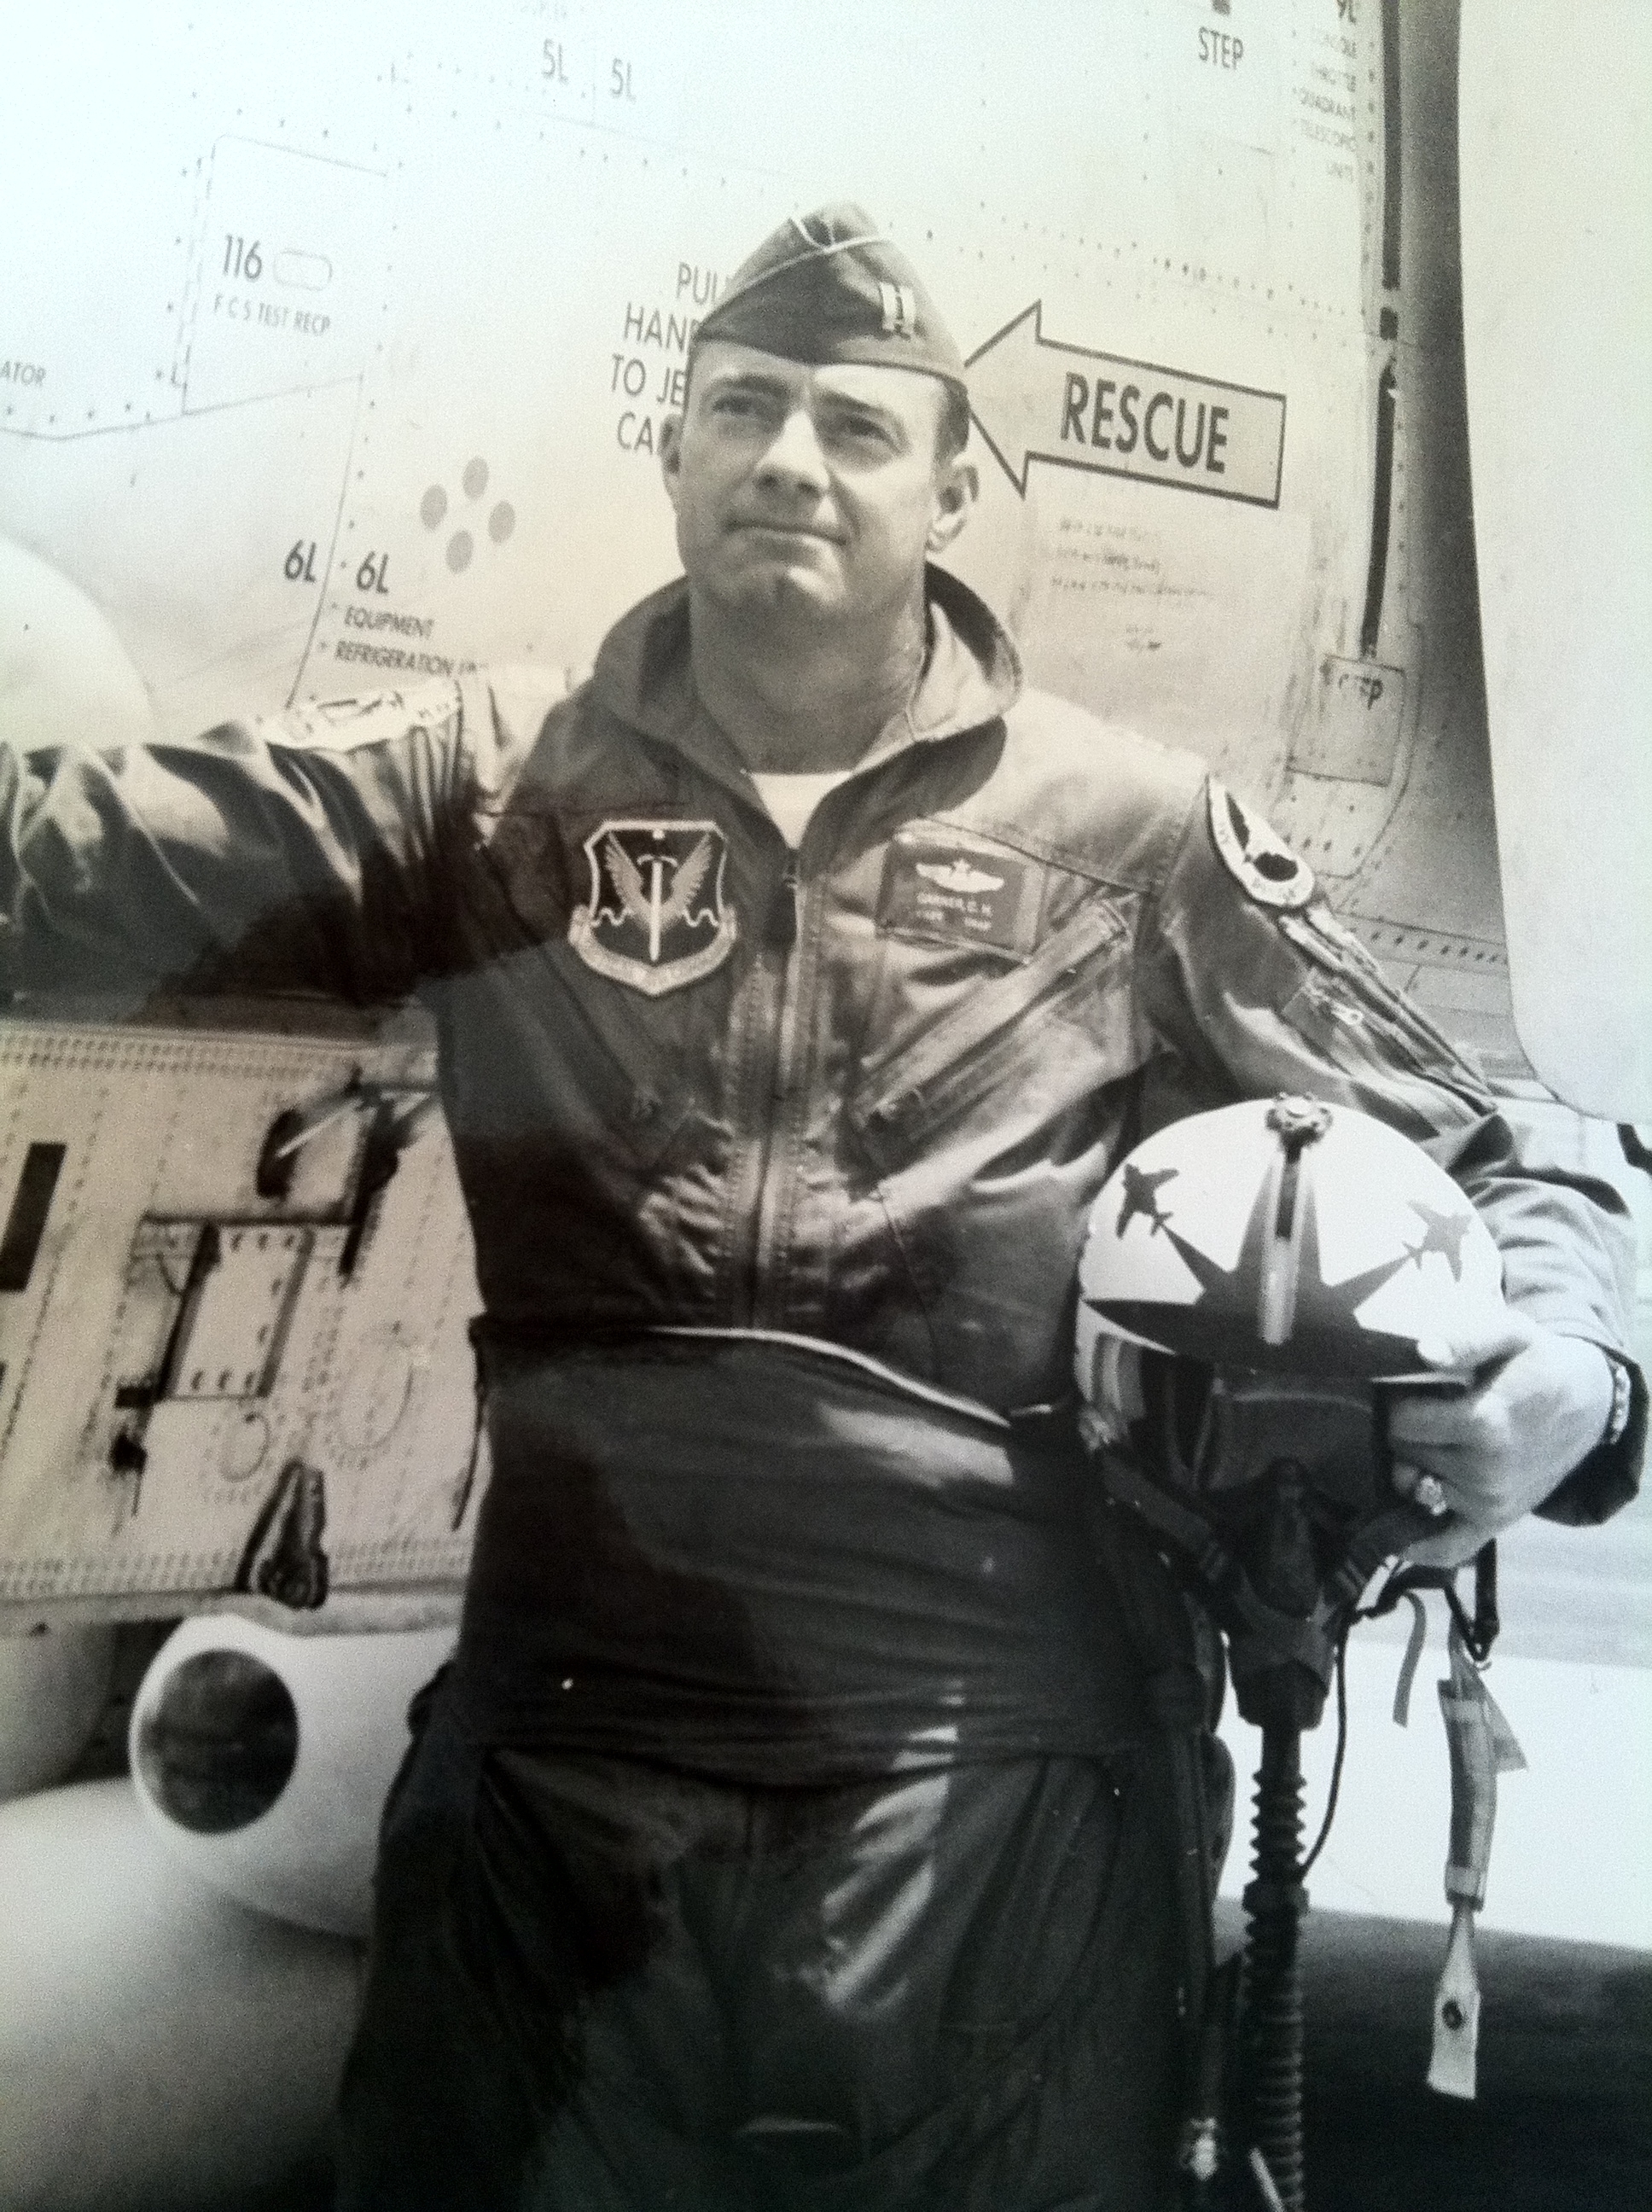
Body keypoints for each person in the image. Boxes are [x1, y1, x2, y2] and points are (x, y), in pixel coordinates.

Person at [0, 205, 1641, 2211]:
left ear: (948, 494)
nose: (791, 458)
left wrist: (1575, 1377)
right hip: (563, 1793)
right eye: (744, 409)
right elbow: (79, 863)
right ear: (674, 451)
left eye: (856, 427)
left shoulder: (1129, 841)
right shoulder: (492, 789)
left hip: (982, 1817)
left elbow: (1500, 1150)